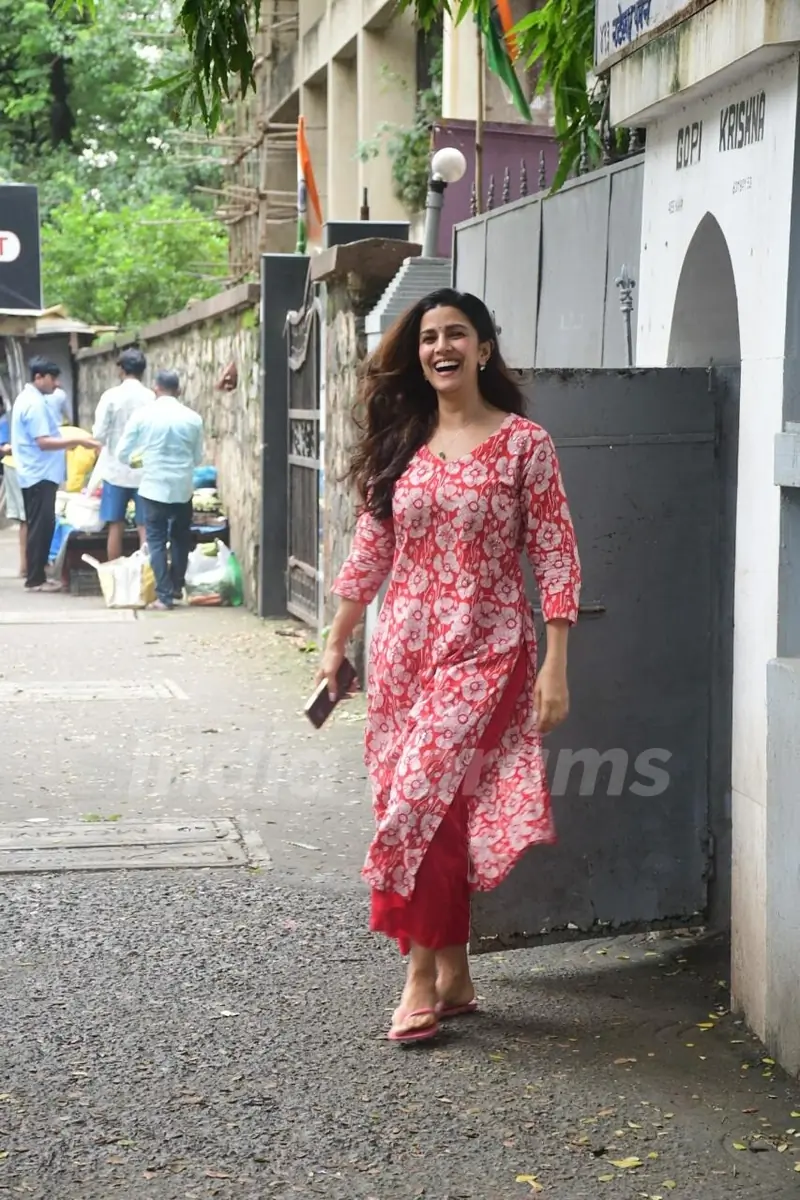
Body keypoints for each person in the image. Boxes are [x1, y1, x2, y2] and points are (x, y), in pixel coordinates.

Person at [317, 288, 582, 1044]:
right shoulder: (403, 440)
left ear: (484, 349)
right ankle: (457, 974)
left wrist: (555, 664)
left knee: (418, 804)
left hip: (487, 649)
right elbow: (372, 549)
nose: (442, 347)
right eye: (429, 337)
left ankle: (418, 978)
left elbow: (556, 553)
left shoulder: (525, 444)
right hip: (403, 654)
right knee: (432, 809)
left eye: (457, 334)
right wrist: (337, 641)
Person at [115, 368, 204, 611]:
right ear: (179, 390)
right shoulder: (193, 418)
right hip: (182, 488)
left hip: (153, 487)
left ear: (156, 388)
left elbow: (122, 453)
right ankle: (175, 588)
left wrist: (137, 461)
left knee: (155, 540)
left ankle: (163, 596)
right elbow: (198, 458)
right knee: (180, 538)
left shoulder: (143, 416)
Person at [10, 357, 99, 592]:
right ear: (39, 377)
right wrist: (78, 440)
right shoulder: (35, 404)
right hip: (39, 474)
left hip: (36, 472)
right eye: (52, 378)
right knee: (41, 526)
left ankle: (37, 575)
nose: (56, 383)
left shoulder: (29, 399)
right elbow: (44, 442)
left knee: (41, 524)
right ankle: (35, 579)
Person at [93, 348, 154, 561]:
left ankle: (115, 574)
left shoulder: (110, 397)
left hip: (115, 471)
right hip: (144, 472)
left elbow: (99, 434)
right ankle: (146, 574)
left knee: (115, 525)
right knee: (145, 526)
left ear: (121, 369)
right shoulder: (151, 398)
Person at [0, 399, 27, 577]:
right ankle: (26, 566)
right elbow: (4, 447)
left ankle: (26, 565)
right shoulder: (6, 420)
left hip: (17, 466)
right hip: (17, 467)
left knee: (26, 519)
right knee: (27, 518)